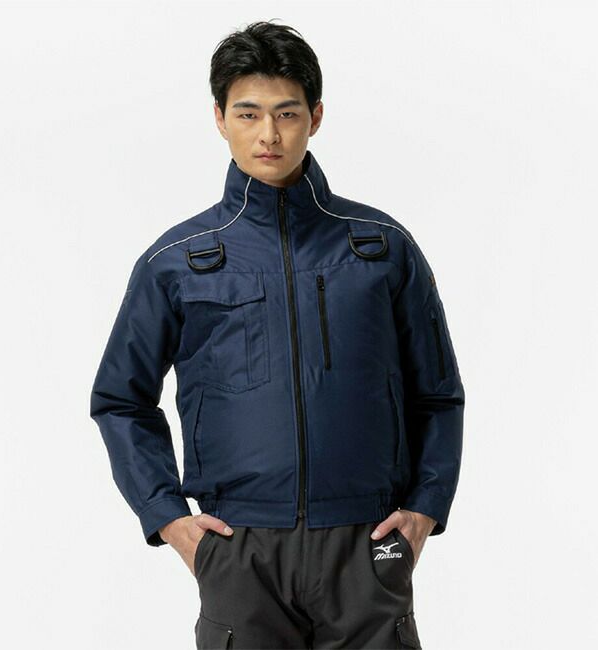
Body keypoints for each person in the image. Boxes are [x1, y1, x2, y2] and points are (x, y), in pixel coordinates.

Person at [90, 20, 465, 650]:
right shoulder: (177, 261)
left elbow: (439, 394)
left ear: (315, 117)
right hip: (240, 552)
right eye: (249, 113)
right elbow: (120, 400)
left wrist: (425, 509)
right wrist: (168, 519)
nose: (268, 134)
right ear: (219, 118)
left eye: (287, 113)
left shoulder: (382, 248)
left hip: (366, 544)